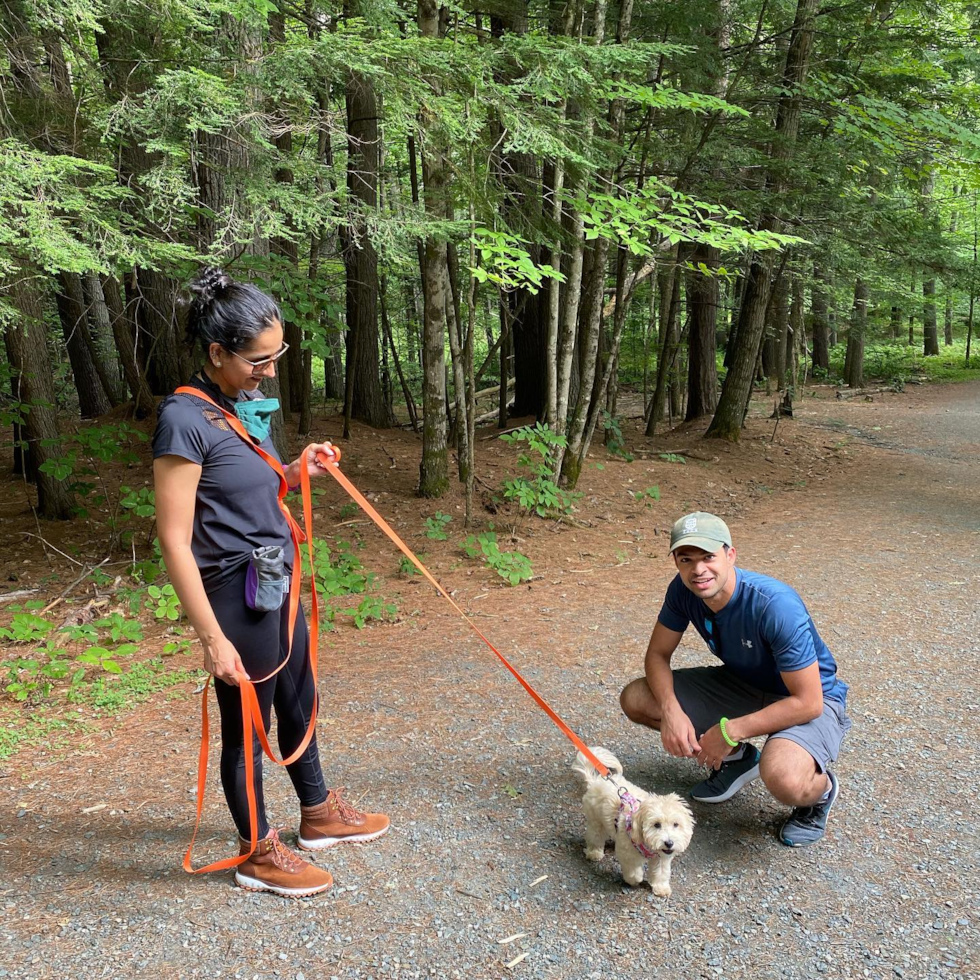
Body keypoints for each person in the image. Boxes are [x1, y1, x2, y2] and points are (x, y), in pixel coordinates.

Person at [153, 267, 389, 897]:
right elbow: (175, 539)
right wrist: (212, 639)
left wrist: (293, 467)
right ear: (217, 353)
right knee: (247, 728)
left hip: (274, 585)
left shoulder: (229, 410)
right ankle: (256, 851)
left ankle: (316, 813)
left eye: (277, 354)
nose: (271, 370)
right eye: (259, 360)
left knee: (297, 700)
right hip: (235, 596)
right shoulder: (184, 420)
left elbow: (247, 492)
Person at [620, 512, 851, 847]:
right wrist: (671, 711)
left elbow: (809, 701)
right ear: (675, 562)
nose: (698, 570)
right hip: (743, 684)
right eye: (686, 559)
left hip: (809, 697)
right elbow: (657, 655)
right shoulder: (683, 591)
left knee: (783, 778)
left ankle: (819, 793)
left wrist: (730, 730)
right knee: (638, 698)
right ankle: (737, 760)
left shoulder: (774, 605)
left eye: (708, 557)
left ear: (730, 555)